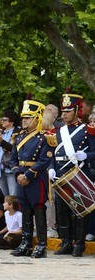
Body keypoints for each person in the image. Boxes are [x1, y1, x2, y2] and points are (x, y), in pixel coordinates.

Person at [49, 89, 95, 257]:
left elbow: (94, 152)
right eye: (63, 111)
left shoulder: (86, 130)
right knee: (61, 210)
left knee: (79, 210)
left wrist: (87, 156)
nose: (65, 114)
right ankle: (66, 242)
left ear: (76, 111)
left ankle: (79, 244)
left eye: (68, 111)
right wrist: (51, 168)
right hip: (60, 173)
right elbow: (53, 153)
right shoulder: (58, 131)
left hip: (78, 173)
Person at [9, 99, 55, 258]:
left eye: (28, 117)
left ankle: (42, 244)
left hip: (36, 178)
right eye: (24, 117)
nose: (25, 120)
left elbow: (45, 160)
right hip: (20, 177)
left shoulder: (45, 137)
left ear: (38, 119)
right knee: (25, 210)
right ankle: (26, 242)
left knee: (39, 209)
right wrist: (17, 174)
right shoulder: (19, 137)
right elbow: (12, 159)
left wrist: (28, 175)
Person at [0, 111, 22, 198]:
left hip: (11, 168)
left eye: (5, 120)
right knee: (1, 196)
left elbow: (14, 149)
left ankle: (14, 211)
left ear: (12, 121)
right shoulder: (1, 132)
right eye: (2, 119)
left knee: (13, 196)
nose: (2, 121)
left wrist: (1, 141)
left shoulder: (18, 132)